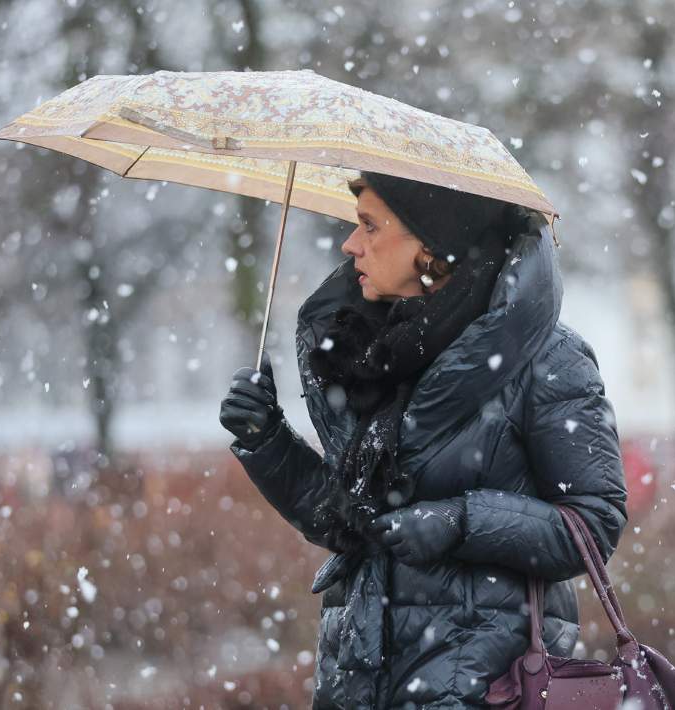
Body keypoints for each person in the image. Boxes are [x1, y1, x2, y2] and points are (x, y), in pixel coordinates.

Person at [219, 171, 628, 709]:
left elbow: (592, 525)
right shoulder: (368, 355)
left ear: (433, 246)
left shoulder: (548, 358)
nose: (349, 244)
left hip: (489, 686)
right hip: (359, 683)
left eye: (369, 225)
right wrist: (267, 440)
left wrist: (460, 522)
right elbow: (351, 522)